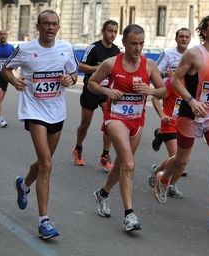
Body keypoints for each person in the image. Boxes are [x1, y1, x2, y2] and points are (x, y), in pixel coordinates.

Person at [153, 14, 209, 228]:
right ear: (205, 31)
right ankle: (163, 179)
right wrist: (191, 101)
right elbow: (175, 81)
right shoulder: (193, 54)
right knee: (181, 159)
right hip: (191, 114)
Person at [2, 10, 79, 240]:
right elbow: (6, 68)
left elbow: (74, 72)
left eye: (54, 24)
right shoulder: (25, 50)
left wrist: (71, 78)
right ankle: (43, 221)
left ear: (58, 27)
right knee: (46, 165)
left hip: (57, 112)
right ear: (37, 27)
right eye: (45, 23)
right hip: (34, 110)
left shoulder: (66, 48)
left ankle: (24, 185)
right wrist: (15, 80)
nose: (50, 27)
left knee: (45, 163)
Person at [88, 24, 166, 231]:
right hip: (115, 118)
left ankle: (102, 194)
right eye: (133, 43)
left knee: (123, 165)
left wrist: (150, 89)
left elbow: (163, 91)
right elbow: (91, 83)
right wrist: (107, 91)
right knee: (129, 164)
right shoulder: (111, 63)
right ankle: (129, 215)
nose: (138, 48)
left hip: (136, 121)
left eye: (141, 43)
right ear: (124, 43)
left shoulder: (149, 65)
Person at [72, 20, 120, 171]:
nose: (112, 34)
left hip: (107, 92)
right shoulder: (94, 48)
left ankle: (105, 155)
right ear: (103, 31)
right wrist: (98, 69)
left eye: (115, 32)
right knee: (85, 124)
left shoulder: (116, 51)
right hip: (91, 89)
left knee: (110, 124)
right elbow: (80, 66)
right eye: (110, 31)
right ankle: (78, 148)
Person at [149, 28, 191, 198]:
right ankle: (161, 174)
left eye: (187, 37)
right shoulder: (168, 55)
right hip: (168, 109)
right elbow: (155, 75)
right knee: (177, 158)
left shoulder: (192, 59)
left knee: (183, 161)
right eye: (181, 36)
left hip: (184, 120)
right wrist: (166, 74)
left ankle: (167, 180)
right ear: (176, 39)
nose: (184, 39)